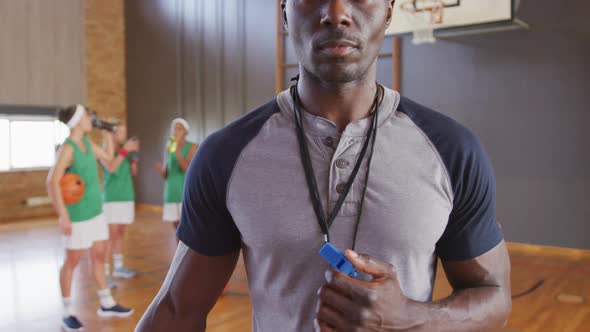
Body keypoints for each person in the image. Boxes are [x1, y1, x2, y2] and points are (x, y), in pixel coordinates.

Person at [136, 1, 512, 331]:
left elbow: (493, 297)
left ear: (390, 10)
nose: (336, 13)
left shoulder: (451, 150)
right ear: (284, 10)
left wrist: (410, 318)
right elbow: (177, 310)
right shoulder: (226, 154)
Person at [47, 105, 134, 331]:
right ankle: (67, 312)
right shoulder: (67, 149)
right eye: (87, 116)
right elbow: (52, 181)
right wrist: (63, 216)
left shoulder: (87, 143)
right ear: (77, 121)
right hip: (77, 216)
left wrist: (107, 136)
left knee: (98, 256)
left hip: (96, 213)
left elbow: (108, 157)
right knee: (72, 261)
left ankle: (106, 303)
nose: (91, 120)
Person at [100, 122, 140, 282]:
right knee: (110, 236)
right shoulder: (105, 151)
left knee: (120, 234)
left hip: (127, 196)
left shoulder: (127, 150)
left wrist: (135, 158)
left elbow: (134, 172)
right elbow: (111, 168)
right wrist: (126, 150)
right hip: (112, 198)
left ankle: (118, 268)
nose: (124, 135)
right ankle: (105, 273)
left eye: (125, 131)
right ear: (113, 134)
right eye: (120, 132)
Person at [154, 118, 198, 232]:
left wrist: (177, 149)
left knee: (187, 224)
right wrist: (160, 170)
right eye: (174, 129)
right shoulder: (169, 148)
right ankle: (178, 249)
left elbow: (187, 169)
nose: (176, 131)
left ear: (186, 132)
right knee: (176, 226)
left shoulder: (193, 147)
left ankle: (188, 249)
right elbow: (166, 175)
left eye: (179, 128)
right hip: (171, 191)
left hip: (184, 190)